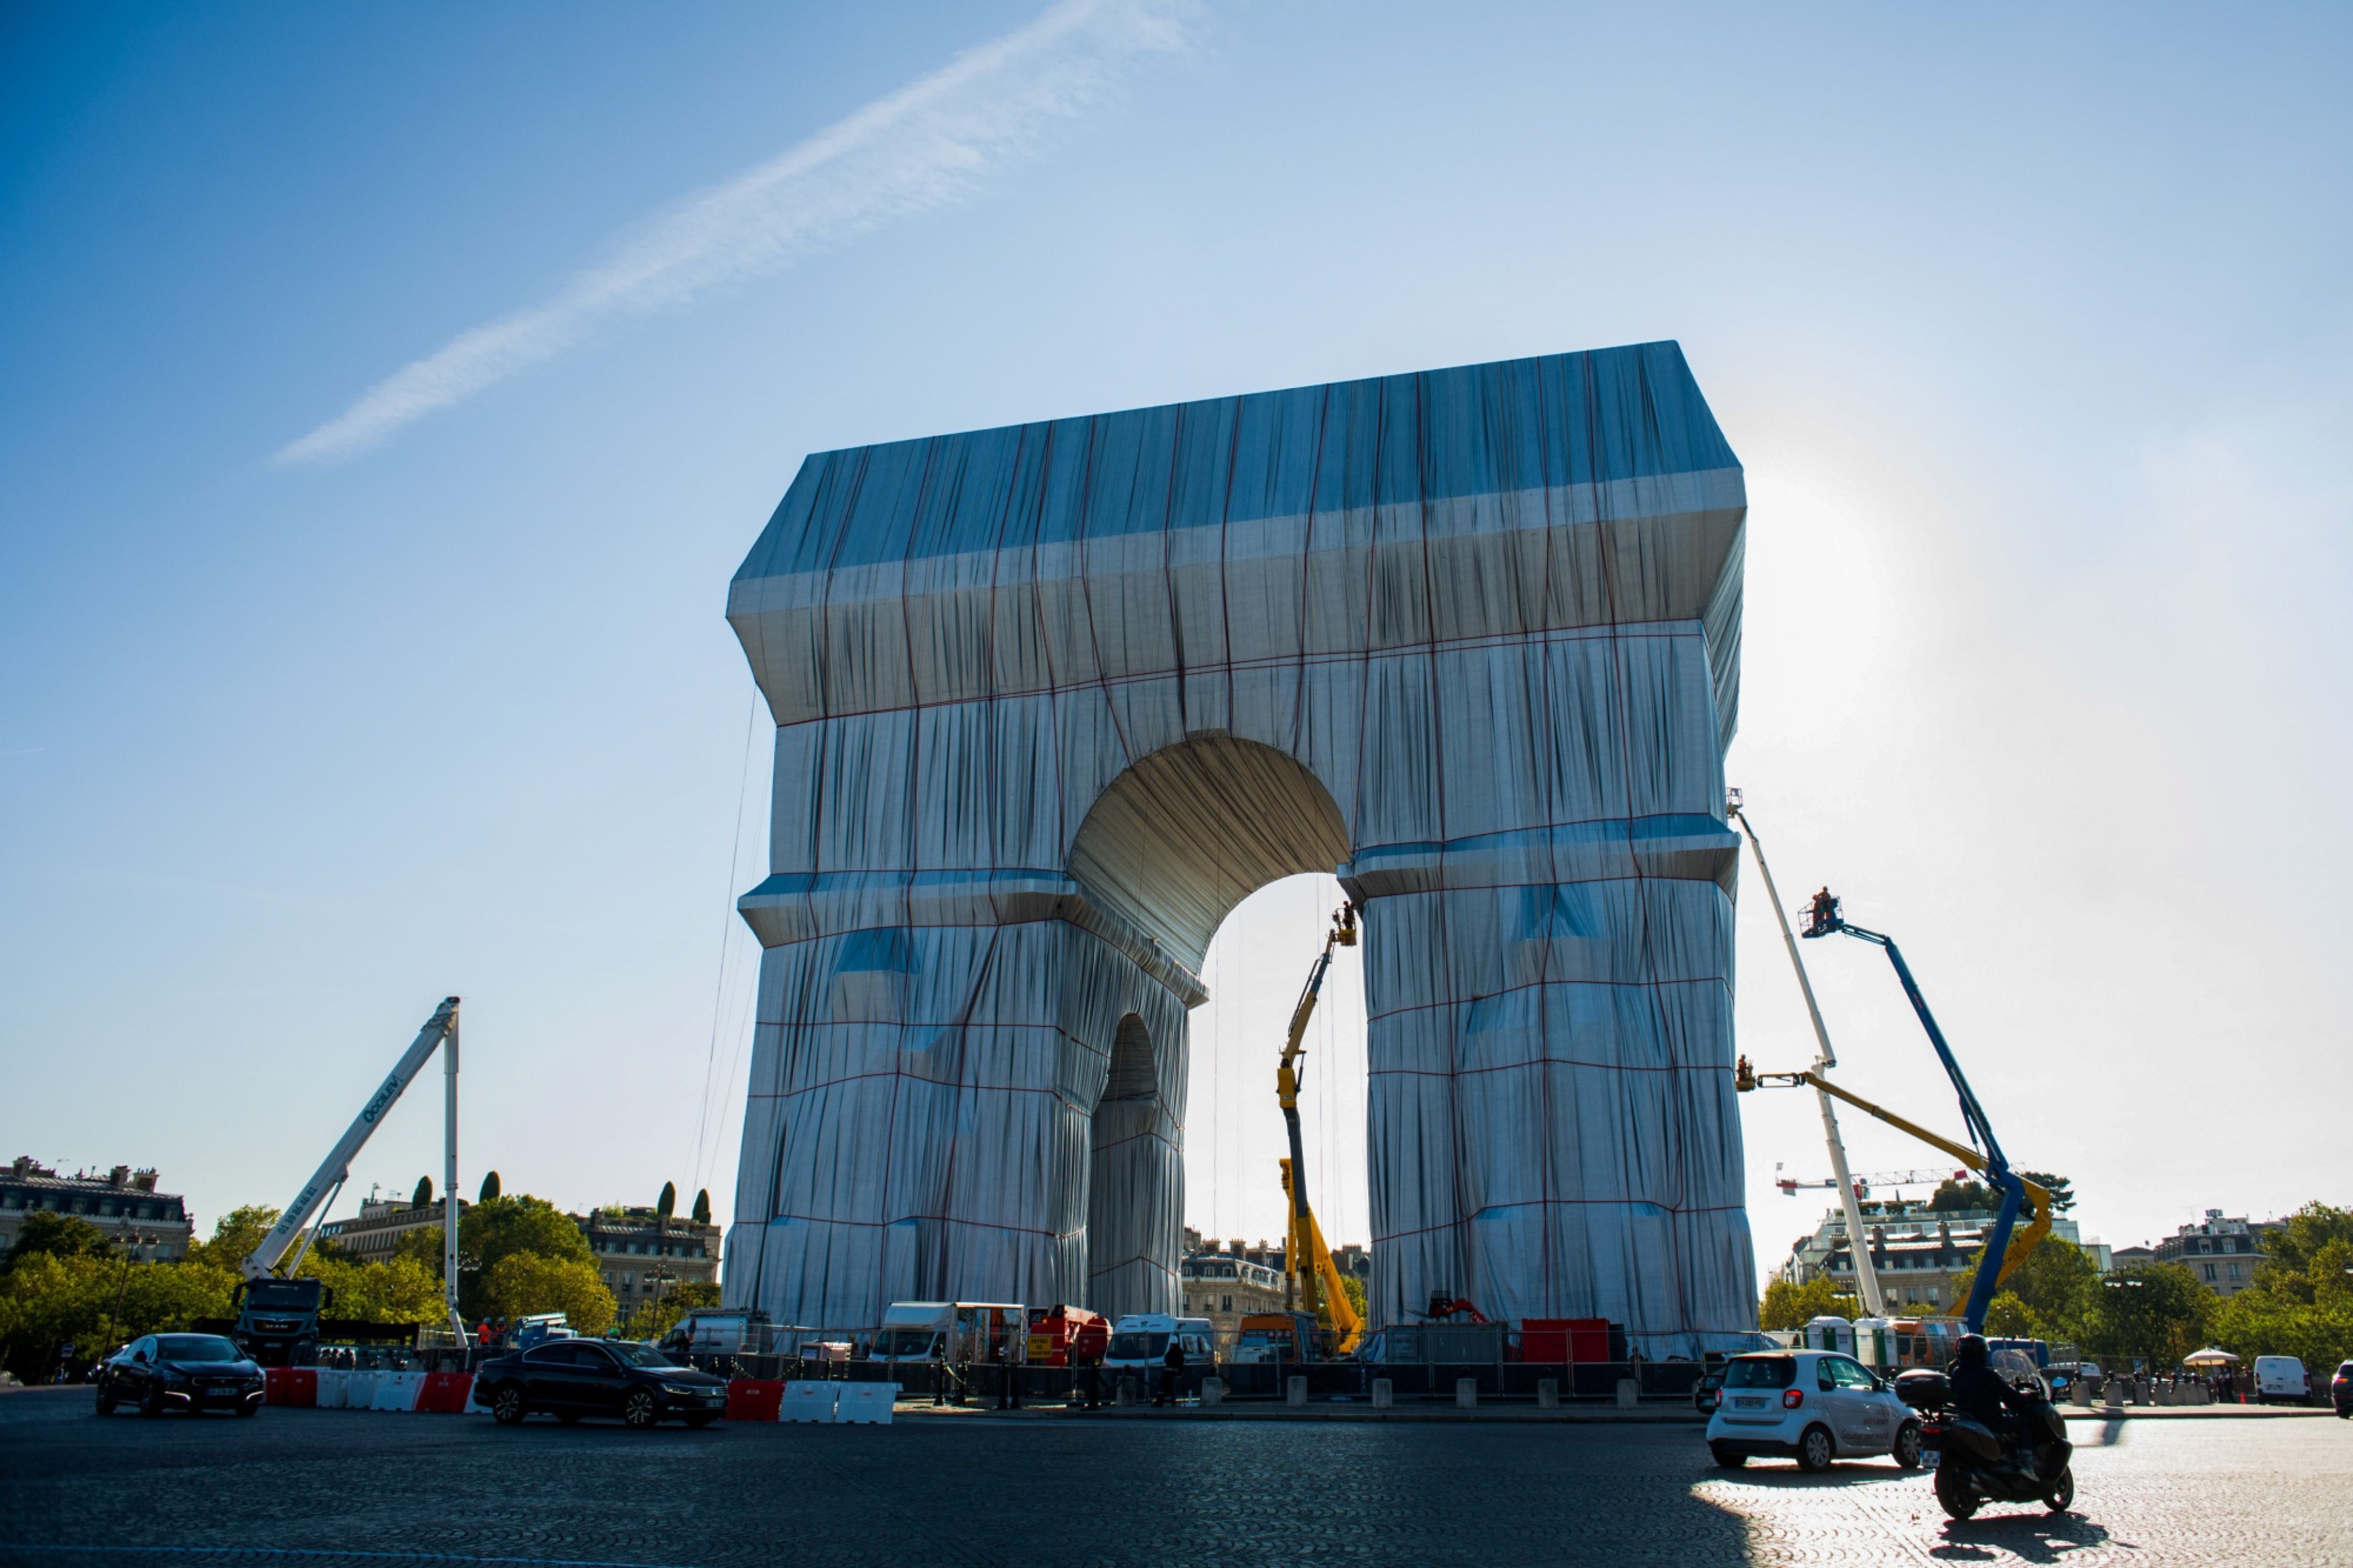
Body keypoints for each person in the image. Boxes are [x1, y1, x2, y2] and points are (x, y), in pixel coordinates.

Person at [1950, 1333, 2040, 1472]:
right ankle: (2026, 1464)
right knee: (2024, 1423)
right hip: (1989, 1421)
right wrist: (2029, 1396)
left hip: (1966, 1419)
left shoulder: (1956, 1373)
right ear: (1980, 1352)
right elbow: (2010, 1396)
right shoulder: (1986, 1374)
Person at [1155, 1335, 1186, 1407]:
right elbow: (1181, 1362)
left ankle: (1160, 1402)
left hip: (1169, 1372)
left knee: (1162, 1385)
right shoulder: (1180, 1351)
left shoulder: (1172, 1351)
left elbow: (1167, 1358)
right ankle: (1172, 1402)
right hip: (1176, 1372)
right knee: (1172, 1388)